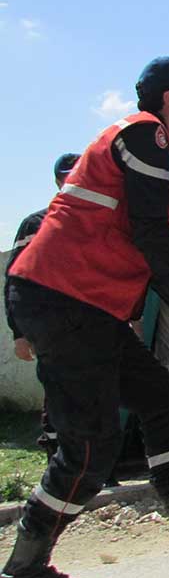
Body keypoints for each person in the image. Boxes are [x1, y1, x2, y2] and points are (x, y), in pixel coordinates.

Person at [2, 58, 169, 578]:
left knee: (165, 405)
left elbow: (151, 250)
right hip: (65, 301)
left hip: (85, 307)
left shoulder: (162, 157)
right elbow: (149, 235)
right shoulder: (144, 134)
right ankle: (24, 570)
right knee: (88, 448)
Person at [4, 153, 79, 459]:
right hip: (51, 326)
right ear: (58, 182)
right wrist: (19, 333)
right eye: (67, 178)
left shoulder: (96, 222)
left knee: (96, 395)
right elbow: (15, 279)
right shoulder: (35, 224)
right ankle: (56, 459)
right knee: (58, 392)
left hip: (91, 323)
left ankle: (102, 470)